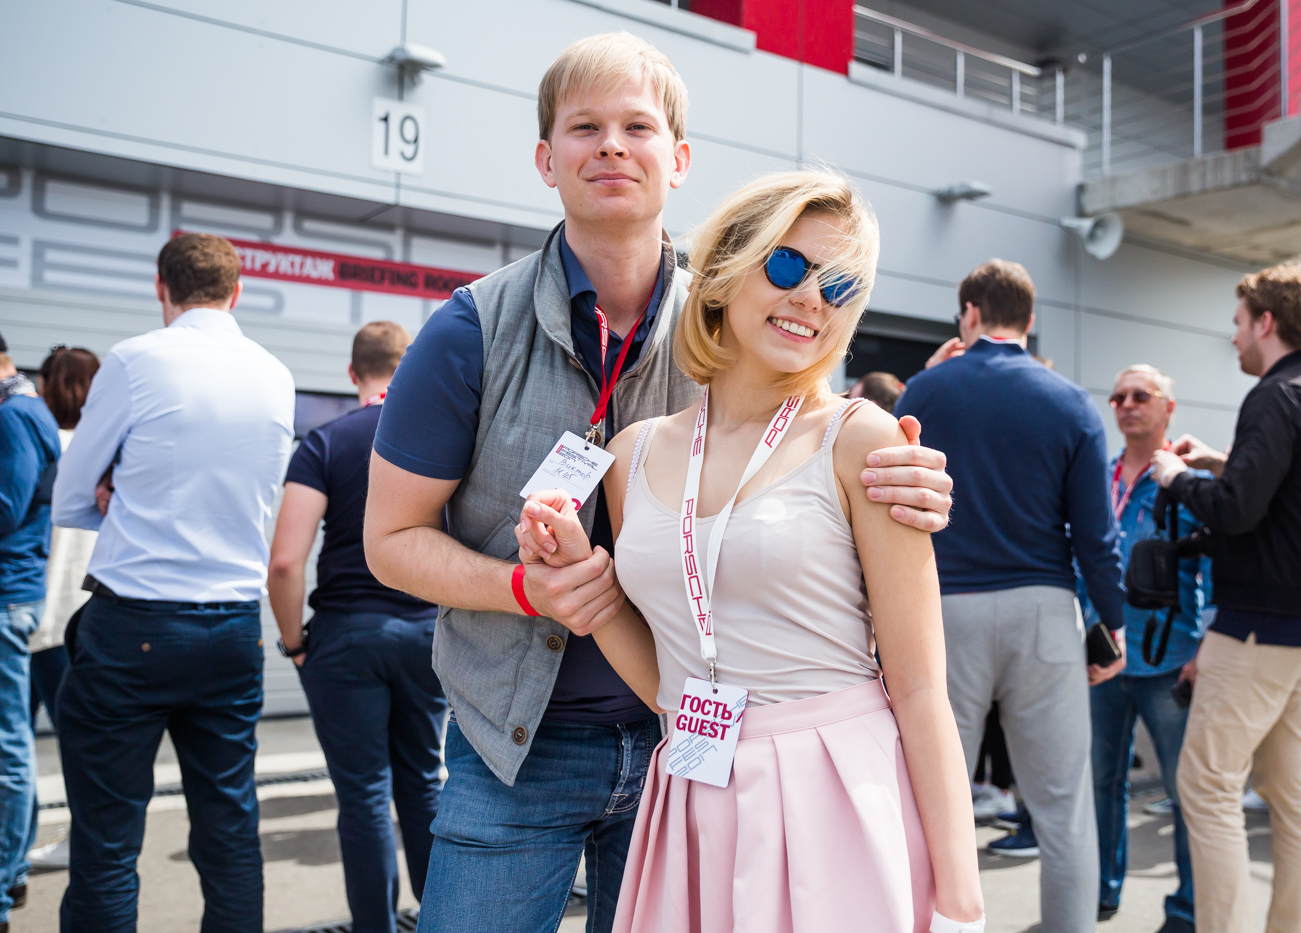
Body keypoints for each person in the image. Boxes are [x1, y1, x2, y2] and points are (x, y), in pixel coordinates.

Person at [362, 34, 953, 933]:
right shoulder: (469, 330)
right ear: (546, 159)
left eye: (637, 126)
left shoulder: (752, 318)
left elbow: (819, 445)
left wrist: (906, 476)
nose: (611, 145)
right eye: (584, 127)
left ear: (678, 160)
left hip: (698, 749)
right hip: (518, 743)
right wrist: (528, 588)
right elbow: (389, 541)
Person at [515, 169, 984, 933]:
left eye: (840, 284)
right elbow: (670, 678)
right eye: (789, 265)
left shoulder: (859, 438)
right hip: (691, 788)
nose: (812, 297)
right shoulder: (634, 454)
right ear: (728, 267)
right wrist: (580, 578)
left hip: (833, 793)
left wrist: (961, 903)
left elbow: (923, 685)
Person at [51, 232, 295, 932]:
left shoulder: (135, 360)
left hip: (133, 624)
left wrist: (117, 498)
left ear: (161, 287)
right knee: (229, 830)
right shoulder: (274, 374)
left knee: (106, 844)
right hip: (232, 629)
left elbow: (70, 498)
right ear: (236, 292)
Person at [895, 259, 1126, 933]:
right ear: (1030, 319)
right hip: (1044, 609)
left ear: (969, 313)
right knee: (1063, 809)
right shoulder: (1071, 401)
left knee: (931, 804)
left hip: (944, 610)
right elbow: (1097, 537)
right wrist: (1112, 624)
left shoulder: (924, 393)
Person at [1150, 262, 1301, 933]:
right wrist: (1219, 461)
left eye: (1238, 323)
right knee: (1294, 797)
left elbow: (1237, 509)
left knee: (1206, 786)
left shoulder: (1274, 396)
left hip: (1259, 627)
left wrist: (1176, 475)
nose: (1233, 336)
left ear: (1266, 322)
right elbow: (1284, 495)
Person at [267, 321, 446, 933]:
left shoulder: (325, 442)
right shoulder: (440, 437)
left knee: (363, 793)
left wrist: (294, 643)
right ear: (411, 364)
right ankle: (440, 919)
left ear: (352, 374)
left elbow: (285, 562)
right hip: (426, 632)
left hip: (344, 636)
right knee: (423, 781)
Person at [1082, 364, 1204, 933]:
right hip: (1103, 657)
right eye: (1117, 397)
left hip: (1169, 659)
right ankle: (1101, 890)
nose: (1126, 404)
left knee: (1186, 790)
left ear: (1167, 408)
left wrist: (1205, 646)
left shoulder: (1185, 480)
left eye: (1140, 395)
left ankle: (1187, 909)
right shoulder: (1097, 477)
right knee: (1101, 781)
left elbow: (1214, 567)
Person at [25, 346, 102, 874]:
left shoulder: (39, 443)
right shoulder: (103, 451)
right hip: (87, 616)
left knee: (16, 742)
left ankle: (18, 845)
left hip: (39, 615)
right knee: (81, 743)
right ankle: (80, 837)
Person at [0, 332, 62, 933]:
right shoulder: (26, 407)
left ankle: (4, 882)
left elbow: (6, 506)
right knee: (13, 740)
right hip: (19, 593)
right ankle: (12, 870)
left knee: (7, 746)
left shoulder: (16, 414)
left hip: (8, 594)